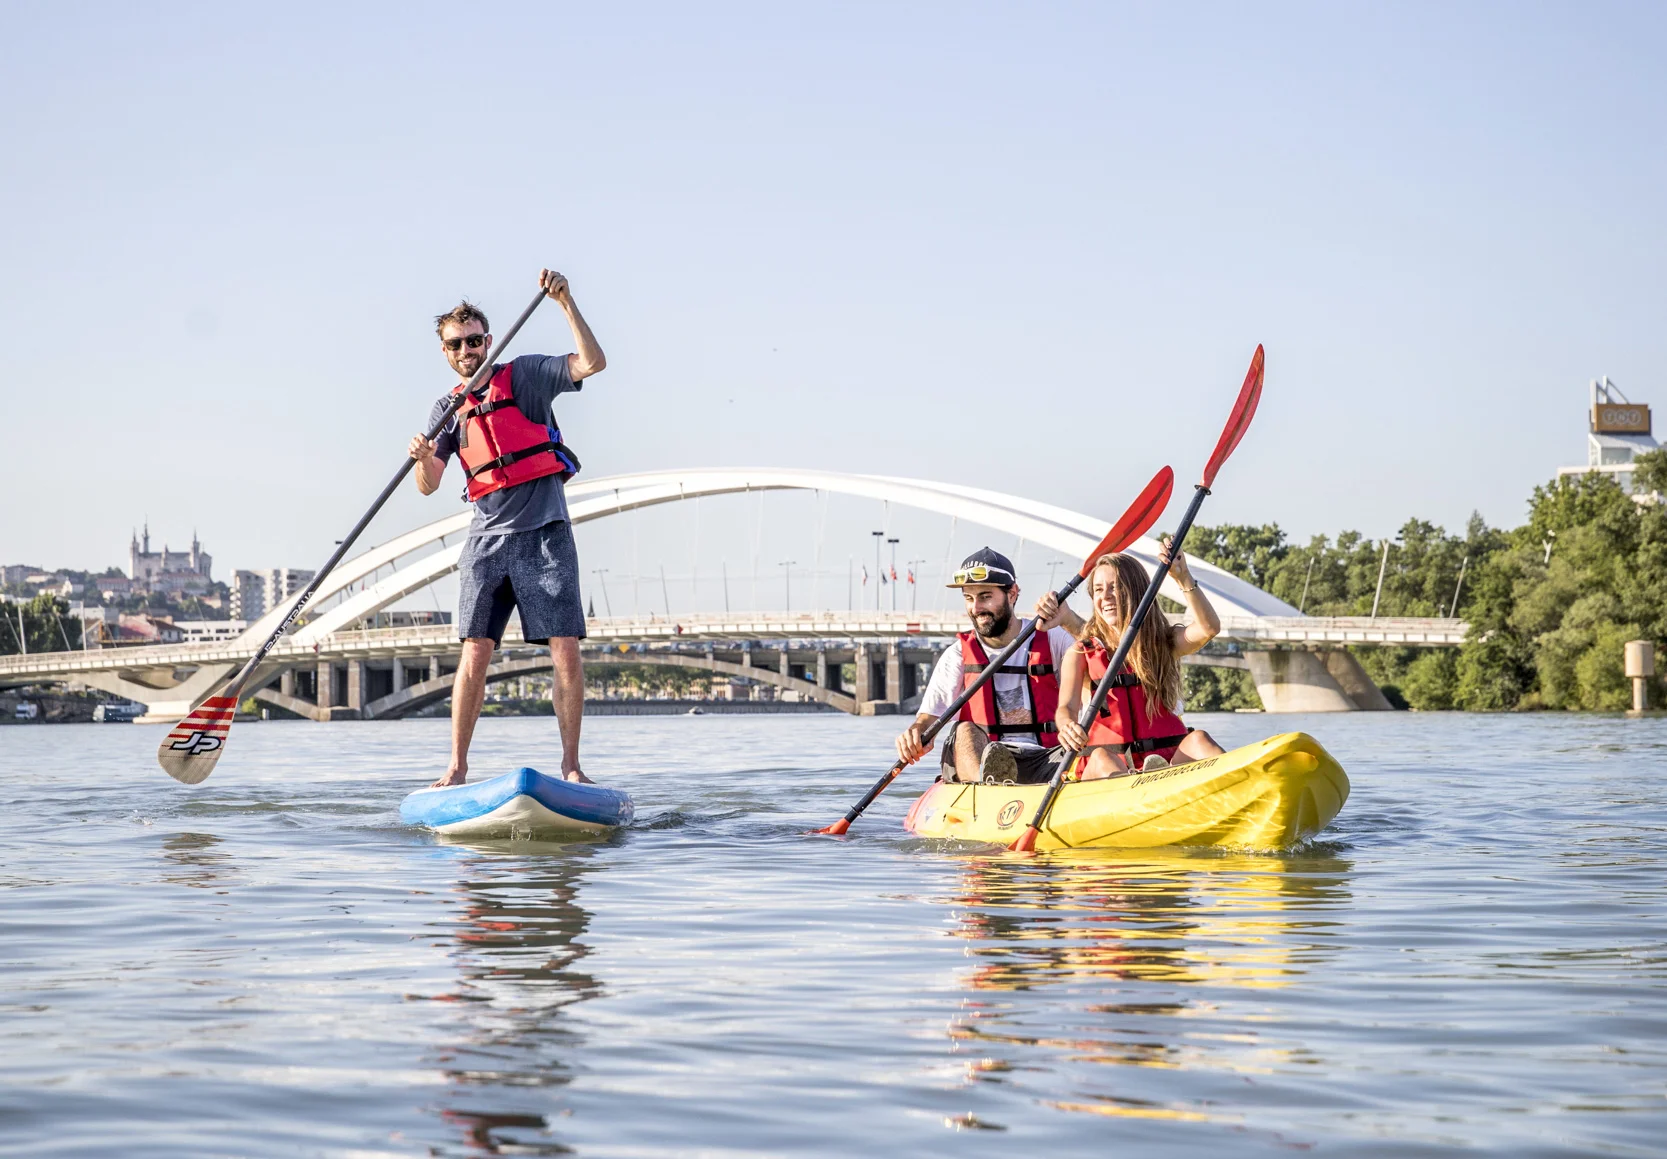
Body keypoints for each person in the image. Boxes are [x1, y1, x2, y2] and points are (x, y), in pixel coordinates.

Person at [407, 269, 606, 788]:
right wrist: (423, 459)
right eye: (457, 344)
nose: (467, 349)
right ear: (446, 352)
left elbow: (592, 362)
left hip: (545, 532)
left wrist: (565, 301)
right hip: (486, 541)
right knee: (474, 651)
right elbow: (429, 484)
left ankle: (572, 766)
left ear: (488, 341)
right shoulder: (446, 409)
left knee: (564, 646)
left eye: (475, 340)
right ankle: (456, 767)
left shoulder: (524, 375)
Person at [895, 548, 1085, 784]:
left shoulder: (1053, 637)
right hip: (982, 760)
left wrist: (1070, 620)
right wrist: (915, 734)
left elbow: (1105, 658)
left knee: (1088, 744)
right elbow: (927, 720)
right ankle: (988, 786)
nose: (976, 608)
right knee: (963, 730)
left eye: (985, 596)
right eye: (968, 598)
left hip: (1048, 758)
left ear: (1013, 594)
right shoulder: (956, 656)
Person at [1055, 541, 1226, 779]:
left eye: (1115, 587)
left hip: (1165, 758)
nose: (1106, 597)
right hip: (1109, 766)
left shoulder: (1163, 643)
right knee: (1102, 758)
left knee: (1199, 739)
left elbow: (1208, 628)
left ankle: (1241, 787)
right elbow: (1066, 708)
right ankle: (1135, 791)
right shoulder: (1080, 653)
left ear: (1135, 592)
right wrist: (1066, 726)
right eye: (1098, 590)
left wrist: (1183, 577)